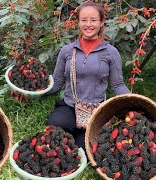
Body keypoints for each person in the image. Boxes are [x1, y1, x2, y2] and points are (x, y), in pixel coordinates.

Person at [45, 1, 130, 149]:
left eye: (93, 20)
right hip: (69, 106)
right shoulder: (67, 51)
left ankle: (81, 139)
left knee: (88, 150)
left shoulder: (110, 52)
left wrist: (133, 101)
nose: (88, 24)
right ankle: (71, 136)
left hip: (96, 111)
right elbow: (56, 82)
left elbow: (118, 85)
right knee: (55, 128)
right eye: (84, 20)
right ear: (78, 22)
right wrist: (32, 92)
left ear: (101, 22)